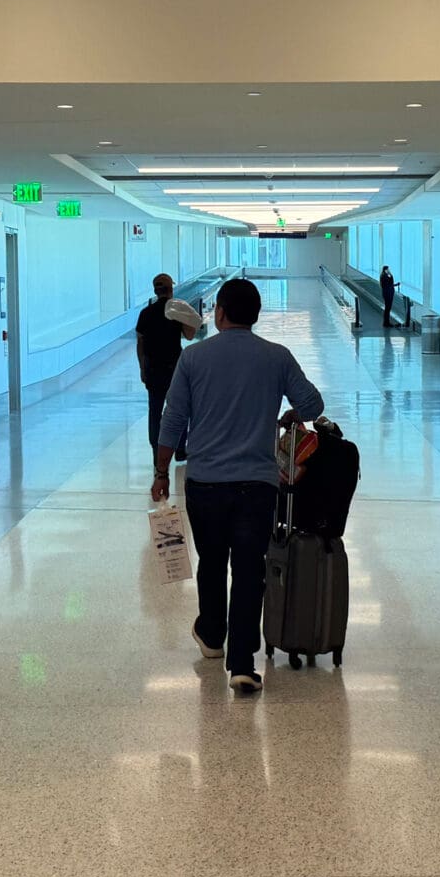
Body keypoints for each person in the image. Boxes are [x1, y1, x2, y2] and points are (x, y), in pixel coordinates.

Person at [151, 278, 324, 694]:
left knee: (211, 562)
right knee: (249, 571)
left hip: (206, 483)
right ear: (256, 316)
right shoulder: (276, 357)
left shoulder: (194, 358)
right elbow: (314, 405)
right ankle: (243, 664)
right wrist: (288, 416)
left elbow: (173, 420)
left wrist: (160, 473)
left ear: (220, 313)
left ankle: (212, 636)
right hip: (257, 485)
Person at [135, 274, 200, 465]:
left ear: (155, 291)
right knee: (179, 409)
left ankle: (157, 451)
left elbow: (140, 342)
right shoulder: (176, 311)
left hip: (153, 369)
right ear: (171, 289)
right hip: (175, 369)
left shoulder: (146, 313)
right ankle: (180, 450)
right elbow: (189, 335)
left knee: (155, 411)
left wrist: (142, 367)